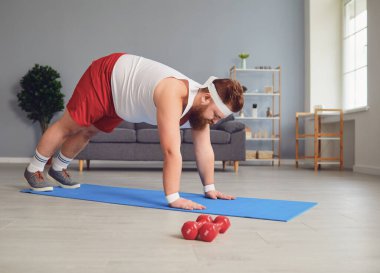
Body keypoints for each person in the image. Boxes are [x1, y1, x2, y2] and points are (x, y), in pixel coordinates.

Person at [24, 53, 244, 210]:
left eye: (219, 119)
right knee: (69, 126)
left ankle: (58, 169)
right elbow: (170, 151)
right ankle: (34, 169)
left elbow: (204, 149)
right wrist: (173, 197)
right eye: (215, 115)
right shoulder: (174, 92)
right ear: (206, 98)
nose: (214, 122)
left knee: (89, 131)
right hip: (107, 76)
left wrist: (210, 188)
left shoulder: (201, 109)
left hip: (123, 99)